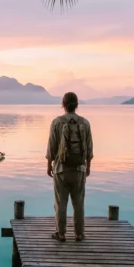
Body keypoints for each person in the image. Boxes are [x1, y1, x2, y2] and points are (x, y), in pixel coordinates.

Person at [45, 92, 93, 242]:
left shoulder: (57, 122)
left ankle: (61, 234)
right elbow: (89, 148)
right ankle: (79, 234)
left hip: (61, 169)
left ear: (63, 104)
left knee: (61, 203)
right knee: (78, 203)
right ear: (77, 105)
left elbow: (51, 146)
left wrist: (49, 164)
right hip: (79, 169)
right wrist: (88, 166)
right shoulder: (85, 123)